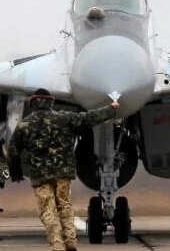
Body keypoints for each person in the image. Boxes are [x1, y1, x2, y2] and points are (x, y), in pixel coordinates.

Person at [7, 88, 119, 251]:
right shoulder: (65, 118)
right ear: (51, 101)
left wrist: (15, 172)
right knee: (64, 206)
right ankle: (71, 241)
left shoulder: (25, 123)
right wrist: (112, 109)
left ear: (33, 102)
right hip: (63, 173)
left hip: (40, 176)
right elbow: (90, 118)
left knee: (48, 210)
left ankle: (57, 245)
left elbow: (13, 150)